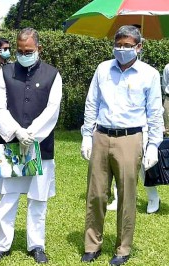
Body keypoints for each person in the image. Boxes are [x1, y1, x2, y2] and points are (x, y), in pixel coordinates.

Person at [80, 25, 163, 266]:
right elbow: (92, 103)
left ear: (139, 46)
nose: (122, 49)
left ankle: (123, 249)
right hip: (102, 135)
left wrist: (153, 145)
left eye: (128, 45)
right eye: (118, 44)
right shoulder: (103, 69)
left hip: (130, 138)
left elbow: (155, 113)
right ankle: (92, 244)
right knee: (96, 194)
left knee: (127, 196)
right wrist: (87, 134)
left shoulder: (149, 74)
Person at [0, 28, 62, 264]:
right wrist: (17, 131)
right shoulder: (6, 73)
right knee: (8, 197)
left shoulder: (52, 74)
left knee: (38, 198)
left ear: (39, 48)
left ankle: (36, 245)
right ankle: (2, 245)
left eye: (28, 51)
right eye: (19, 51)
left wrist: (33, 133)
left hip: (40, 145)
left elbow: (53, 108)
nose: (24, 54)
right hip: (12, 143)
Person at [107, 127, 161, 214]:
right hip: (119, 127)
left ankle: (153, 197)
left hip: (141, 128)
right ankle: (119, 198)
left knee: (143, 165)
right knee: (119, 163)